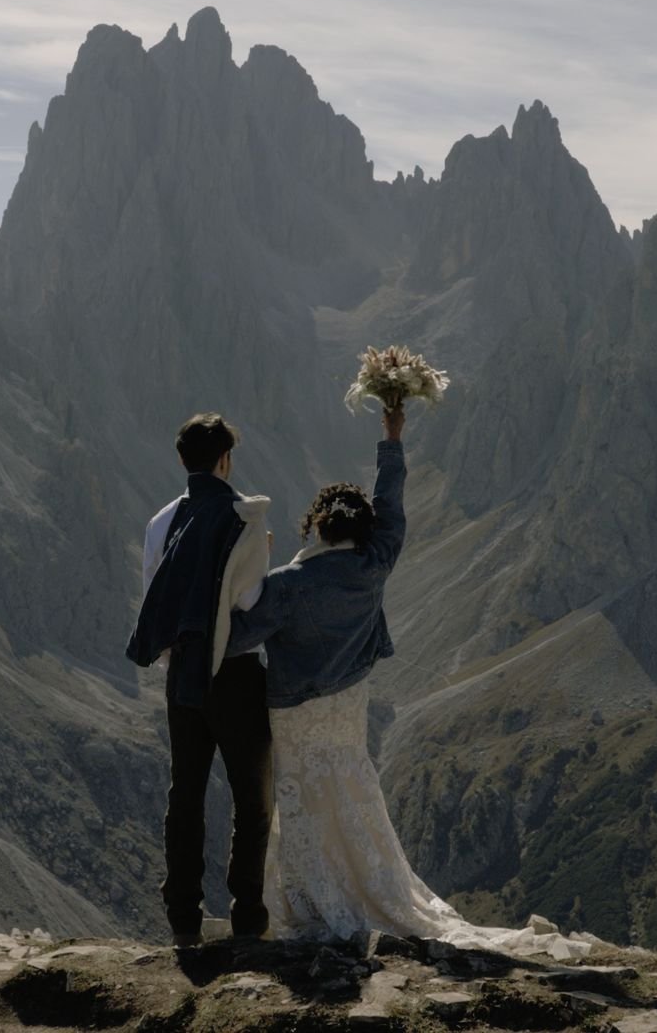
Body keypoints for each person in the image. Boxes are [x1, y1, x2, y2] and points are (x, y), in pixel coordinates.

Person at [225, 404, 581, 954]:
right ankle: (375, 888)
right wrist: (392, 435)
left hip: (292, 708)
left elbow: (239, 638)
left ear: (315, 524)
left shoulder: (286, 585)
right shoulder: (375, 564)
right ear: (360, 528)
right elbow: (391, 504)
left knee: (300, 799)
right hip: (348, 703)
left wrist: (237, 577)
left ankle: (309, 899)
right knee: (352, 784)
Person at [126, 413, 274, 945]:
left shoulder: (161, 522)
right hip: (235, 675)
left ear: (182, 459)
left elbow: (154, 597)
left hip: (183, 675)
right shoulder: (243, 517)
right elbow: (251, 604)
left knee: (185, 791)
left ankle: (184, 916)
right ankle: (247, 912)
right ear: (225, 459)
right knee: (251, 796)